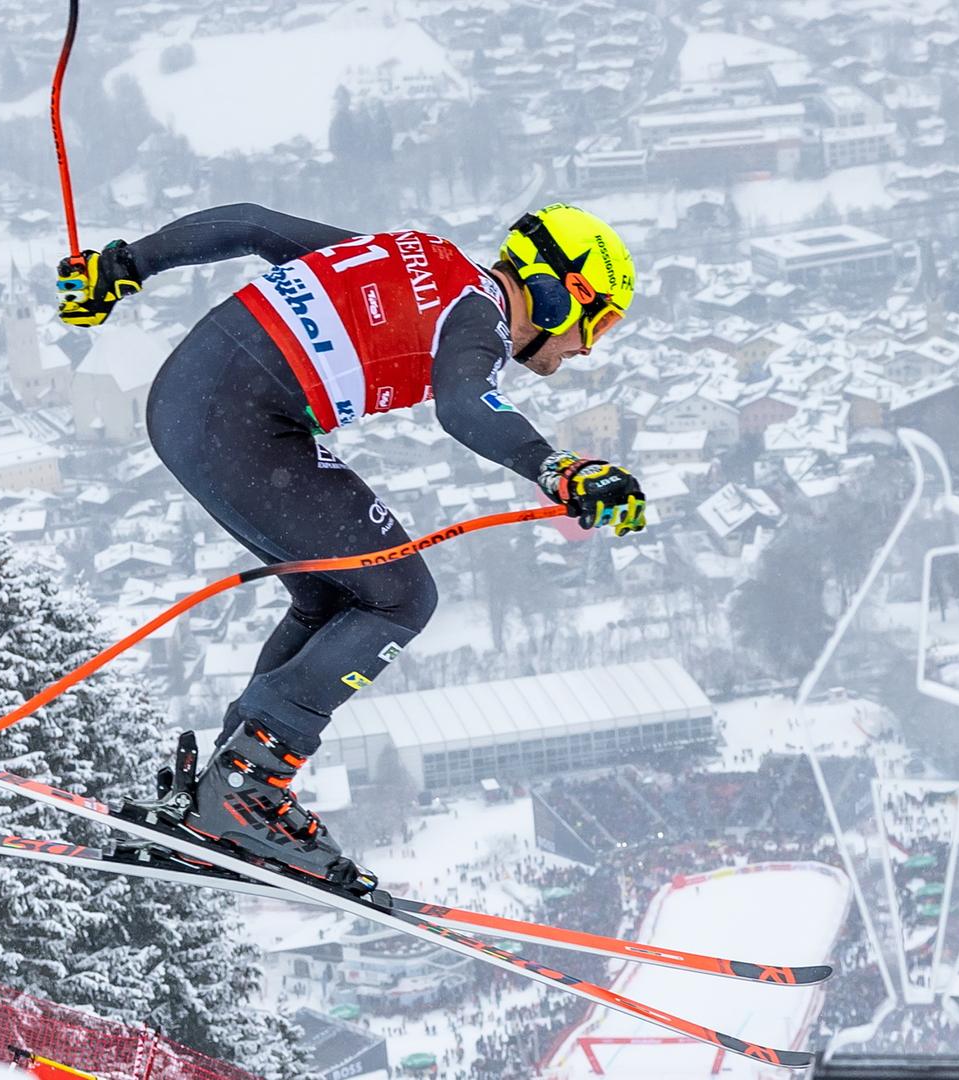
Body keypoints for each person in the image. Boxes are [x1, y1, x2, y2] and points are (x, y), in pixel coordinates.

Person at [55, 202, 646, 890]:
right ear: (558, 291)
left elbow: (250, 225)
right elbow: (462, 405)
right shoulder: (476, 312)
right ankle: (245, 790)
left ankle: (222, 795)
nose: (588, 348)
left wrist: (121, 267)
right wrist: (558, 467)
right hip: (238, 425)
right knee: (403, 597)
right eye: (598, 322)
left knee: (336, 597)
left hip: (198, 407)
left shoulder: (420, 254)